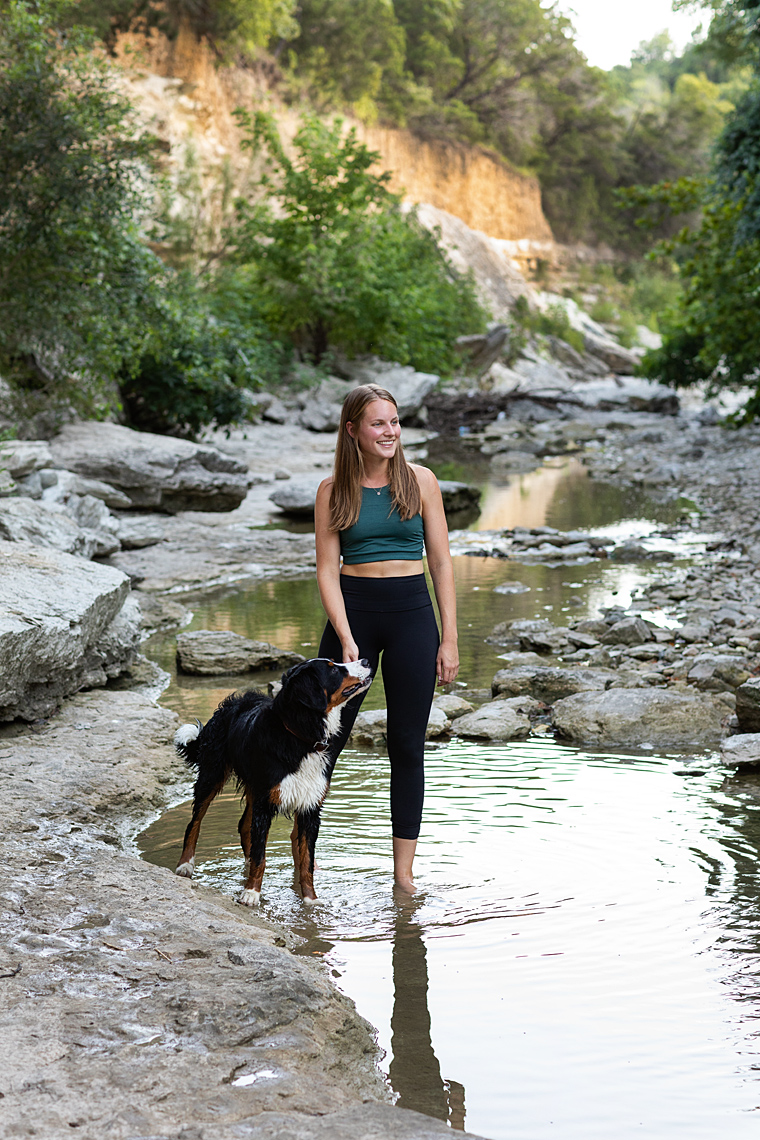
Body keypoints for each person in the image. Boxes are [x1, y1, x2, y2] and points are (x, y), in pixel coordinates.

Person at [315, 383, 459, 893]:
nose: (389, 431)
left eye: (394, 422)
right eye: (378, 423)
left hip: (413, 617)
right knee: (322, 742)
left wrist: (449, 638)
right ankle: (305, 863)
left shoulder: (421, 481)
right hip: (353, 616)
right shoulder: (332, 490)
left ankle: (403, 877)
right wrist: (344, 634)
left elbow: (441, 562)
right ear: (353, 429)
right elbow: (327, 570)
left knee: (407, 744)